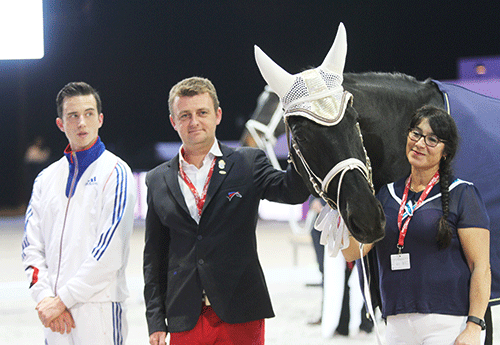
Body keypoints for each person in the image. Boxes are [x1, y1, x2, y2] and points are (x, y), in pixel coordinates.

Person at [143, 76, 310, 345]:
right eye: (184, 115)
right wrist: (155, 320)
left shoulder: (248, 162)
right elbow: (154, 257)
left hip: (241, 311)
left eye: (202, 112)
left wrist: (303, 135)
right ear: (173, 121)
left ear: (217, 115)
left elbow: (293, 191)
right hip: (185, 315)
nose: (194, 121)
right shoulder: (157, 179)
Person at [343, 105, 491, 345]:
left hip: (447, 323)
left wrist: (474, 325)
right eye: (416, 134)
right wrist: (341, 217)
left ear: (446, 151)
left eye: (432, 139)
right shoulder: (387, 194)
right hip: (396, 321)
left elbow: (481, 267)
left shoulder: (462, 193)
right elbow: (353, 251)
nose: (420, 143)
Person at [21, 82, 136, 344]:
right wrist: (44, 298)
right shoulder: (46, 178)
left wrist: (63, 300)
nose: (81, 122)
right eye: (73, 115)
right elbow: (31, 247)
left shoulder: (116, 172)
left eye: (88, 113)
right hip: (54, 311)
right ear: (61, 123)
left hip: (100, 308)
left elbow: (110, 252)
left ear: (100, 119)